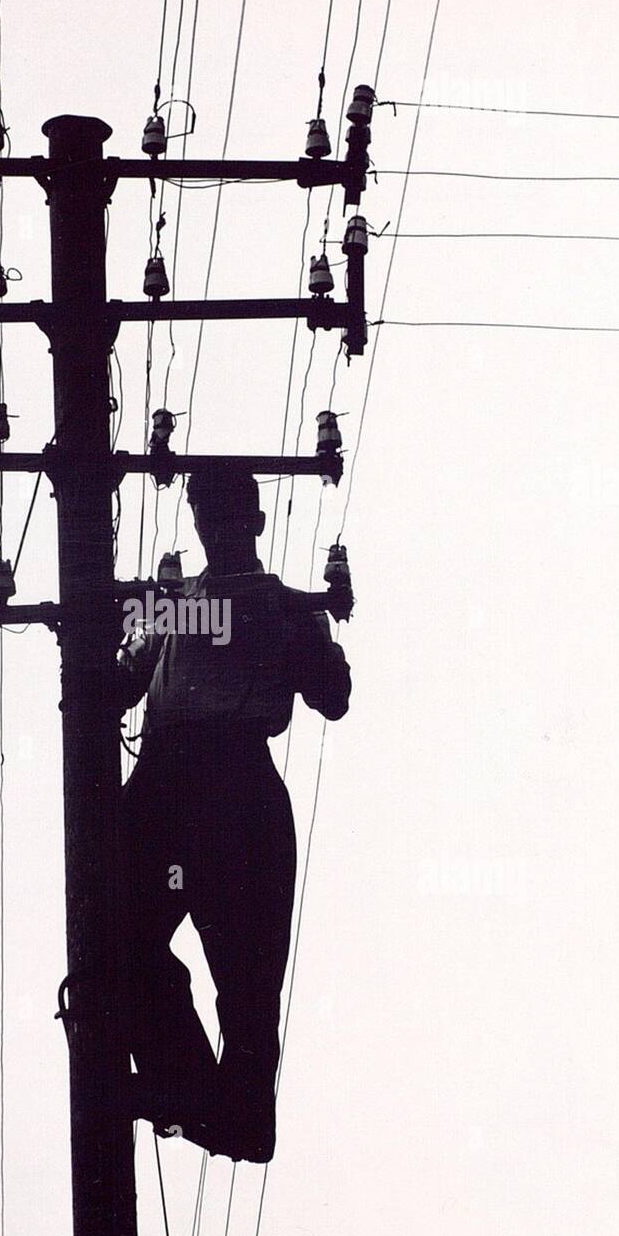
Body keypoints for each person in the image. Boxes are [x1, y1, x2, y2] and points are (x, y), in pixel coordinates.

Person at [116, 469, 352, 1163]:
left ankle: (238, 1116)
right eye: (203, 513)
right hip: (168, 782)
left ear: (250, 521)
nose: (213, 526)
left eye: (224, 513)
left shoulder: (281, 605)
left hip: (234, 783)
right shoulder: (174, 606)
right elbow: (114, 686)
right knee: (116, 944)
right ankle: (187, 1094)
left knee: (246, 982)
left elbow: (331, 697)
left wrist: (302, 629)